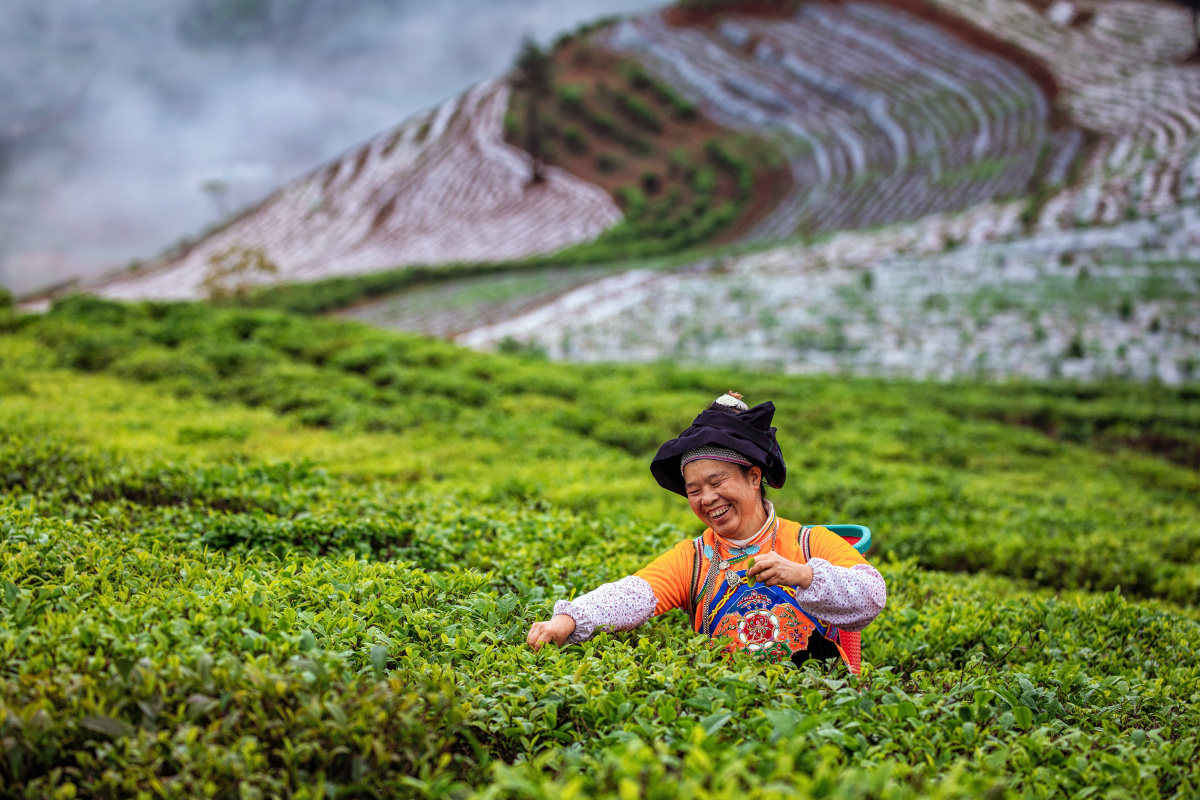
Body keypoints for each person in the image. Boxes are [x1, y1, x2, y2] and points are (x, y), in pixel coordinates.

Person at [525, 392, 886, 670]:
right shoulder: (693, 559)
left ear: (754, 477)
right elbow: (633, 594)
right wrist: (568, 619)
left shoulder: (810, 543)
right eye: (694, 490)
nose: (707, 498)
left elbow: (871, 598)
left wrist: (804, 576)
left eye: (716, 482)